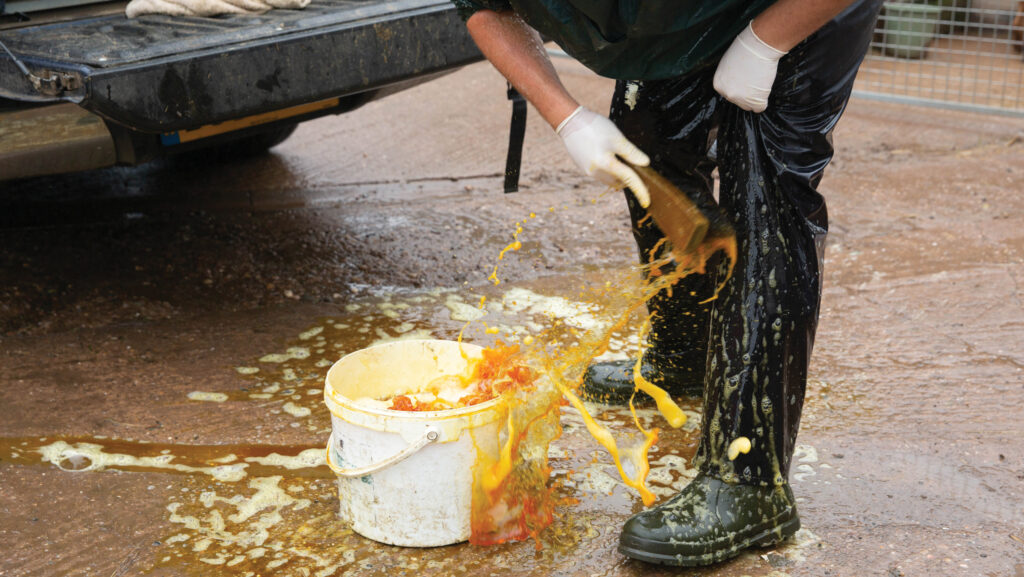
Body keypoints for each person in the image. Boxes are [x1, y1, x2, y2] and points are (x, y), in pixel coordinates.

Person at [452, 0, 882, 566]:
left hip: (792, 10)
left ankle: (749, 482)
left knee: (765, 190)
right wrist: (567, 117)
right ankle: (684, 357)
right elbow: (485, 8)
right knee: (647, 139)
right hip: (685, 22)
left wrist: (765, 41)